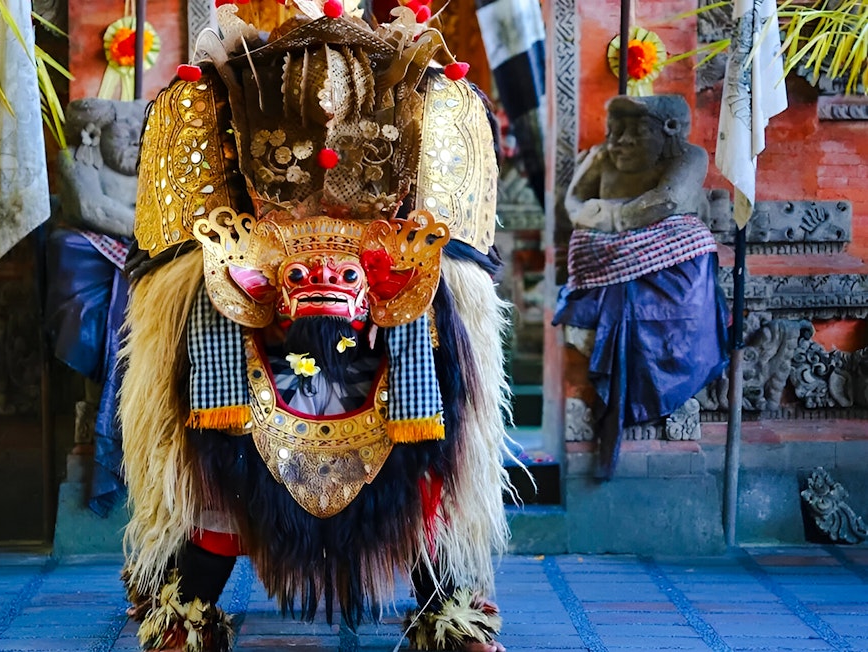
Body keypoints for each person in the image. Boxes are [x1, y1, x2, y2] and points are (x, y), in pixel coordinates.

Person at [118, 2, 516, 651]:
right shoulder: (216, 92)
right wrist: (236, 273)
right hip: (259, 311)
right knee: (219, 460)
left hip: (382, 315)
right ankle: (186, 601)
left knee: (425, 453)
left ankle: (447, 605)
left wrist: (399, 282)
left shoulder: (430, 91)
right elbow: (189, 242)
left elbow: (450, 242)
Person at [554, 94, 729, 479]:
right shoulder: (601, 157)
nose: (622, 140)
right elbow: (573, 203)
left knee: (666, 307)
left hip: (673, 263)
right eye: (616, 130)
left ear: (669, 131)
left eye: (638, 131)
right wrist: (595, 219)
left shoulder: (689, 157)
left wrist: (609, 218)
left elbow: (667, 200)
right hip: (602, 260)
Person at [46, 98, 145, 515]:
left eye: (143, 132)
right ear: (96, 133)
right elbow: (91, 208)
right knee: (97, 318)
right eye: (127, 132)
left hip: (143, 256)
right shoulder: (77, 161)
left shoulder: (156, 163)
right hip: (92, 261)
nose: (137, 141)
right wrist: (150, 229)